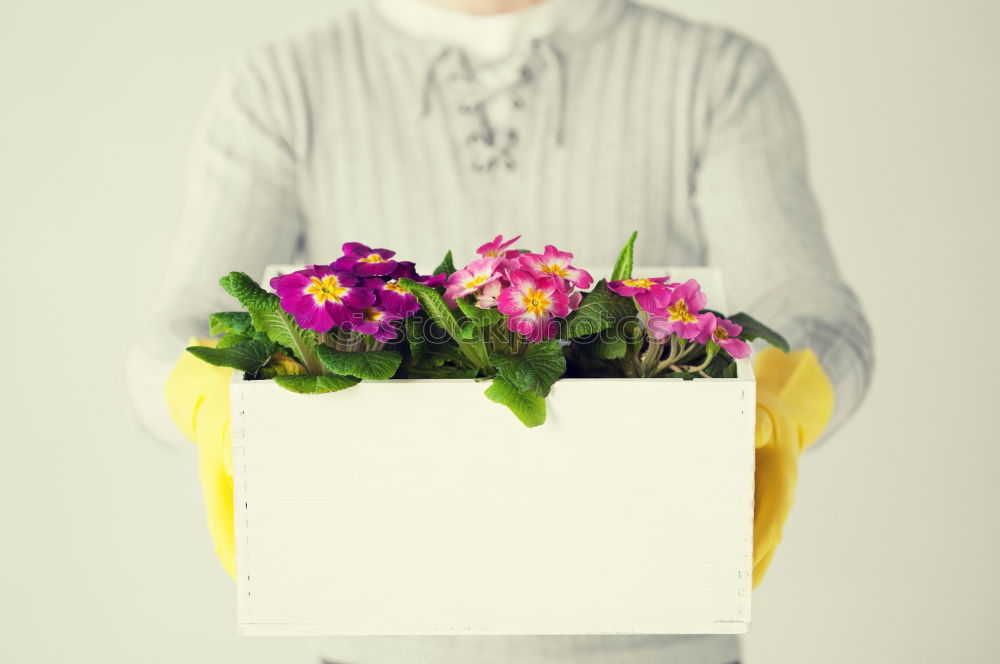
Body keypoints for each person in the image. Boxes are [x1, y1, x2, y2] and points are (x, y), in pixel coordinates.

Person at [126, 0, 874, 662]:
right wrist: (210, 401)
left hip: (656, 648)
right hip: (378, 650)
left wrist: (778, 403)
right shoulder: (282, 87)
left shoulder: (714, 75)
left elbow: (814, 311)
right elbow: (177, 333)